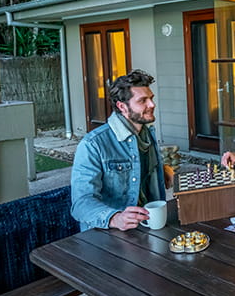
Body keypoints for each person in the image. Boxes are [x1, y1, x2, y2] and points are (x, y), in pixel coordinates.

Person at [71, 69, 173, 231]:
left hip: (146, 225)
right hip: (106, 235)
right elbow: (81, 204)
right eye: (143, 101)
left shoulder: (146, 134)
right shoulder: (92, 144)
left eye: (151, 99)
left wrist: (160, 169)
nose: (152, 105)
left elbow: (135, 168)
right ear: (122, 106)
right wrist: (115, 218)